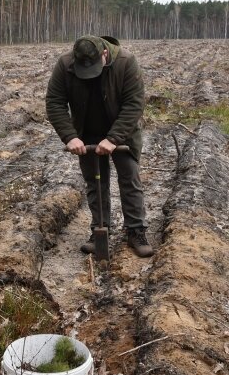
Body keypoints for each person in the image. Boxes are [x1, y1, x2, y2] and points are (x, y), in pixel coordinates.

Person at [46, 35, 153, 258]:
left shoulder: (125, 62)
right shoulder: (65, 65)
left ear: (104, 54)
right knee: (95, 182)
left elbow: (134, 104)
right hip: (87, 132)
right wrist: (70, 137)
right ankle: (99, 229)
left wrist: (113, 139)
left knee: (129, 178)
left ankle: (136, 230)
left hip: (122, 132)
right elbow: (55, 102)